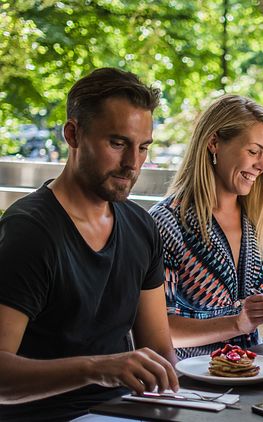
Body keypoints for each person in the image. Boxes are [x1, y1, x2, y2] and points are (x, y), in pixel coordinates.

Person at [0, 68, 179, 421]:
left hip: (127, 412)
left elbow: (159, 350)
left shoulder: (141, 226)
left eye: (143, 147)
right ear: (73, 134)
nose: (132, 164)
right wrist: (98, 368)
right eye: (117, 143)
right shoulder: (28, 232)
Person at [149, 94, 263, 359]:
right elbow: (159, 330)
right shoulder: (167, 223)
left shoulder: (252, 220)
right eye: (253, 151)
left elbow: (245, 308)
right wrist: (237, 323)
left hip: (254, 373)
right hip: (193, 385)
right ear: (214, 142)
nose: (262, 165)